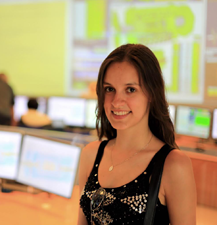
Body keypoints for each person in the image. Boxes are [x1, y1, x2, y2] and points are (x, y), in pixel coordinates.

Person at [78, 44, 196, 225]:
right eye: (110, 89)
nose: (116, 102)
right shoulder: (91, 154)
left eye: (130, 89)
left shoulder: (173, 165)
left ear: (152, 94)